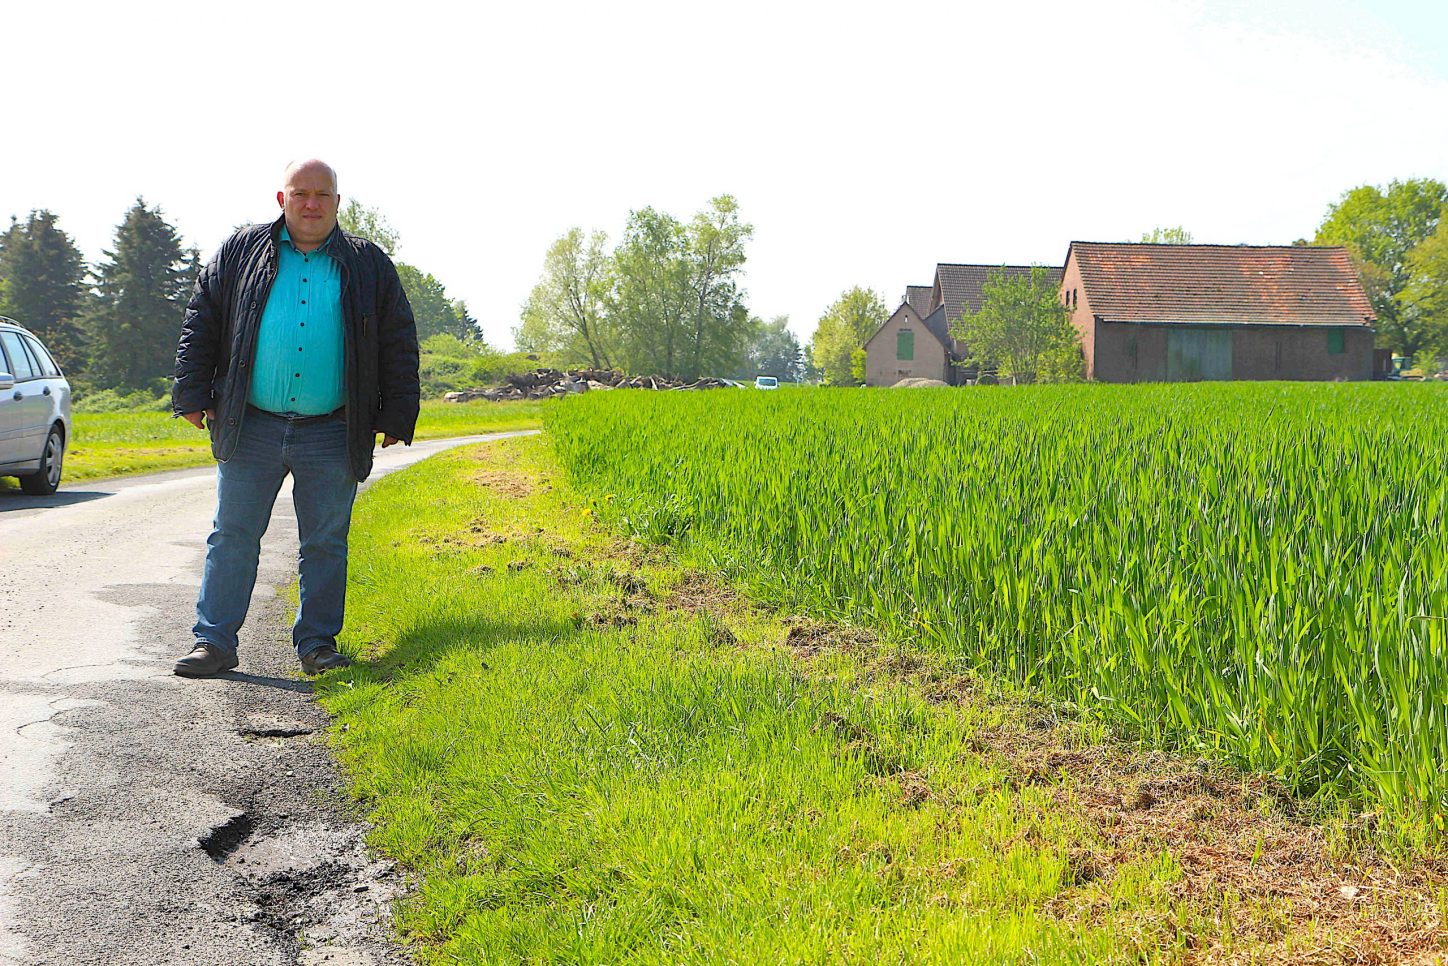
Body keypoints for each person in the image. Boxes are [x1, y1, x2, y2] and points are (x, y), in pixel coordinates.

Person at [171, 159, 419, 677]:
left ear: (337, 203)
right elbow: (203, 319)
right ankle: (213, 642)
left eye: (322, 195)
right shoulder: (240, 251)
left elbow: (398, 340)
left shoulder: (367, 263)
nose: (311, 204)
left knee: (325, 541)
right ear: (281, 199)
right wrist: (192, 392)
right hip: (251, 422)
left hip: (333, 427)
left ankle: (317, 644)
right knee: (233, 533)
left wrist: (396, 412)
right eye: (300, 193)